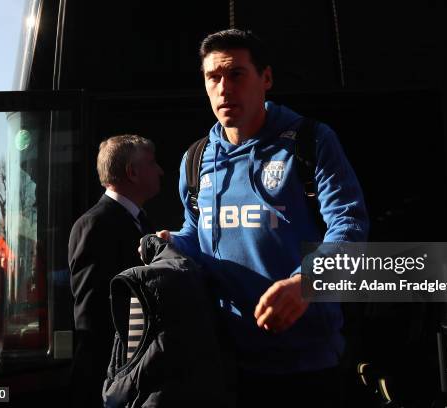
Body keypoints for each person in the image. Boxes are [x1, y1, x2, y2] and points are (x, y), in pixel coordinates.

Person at [153, 29, 368, 407]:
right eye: (213, 77)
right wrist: (173, 242)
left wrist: (306, 281)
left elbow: (349, 227)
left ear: (266, 78)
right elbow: (196, 233)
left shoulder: (310, 142)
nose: (224, 88)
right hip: (226, 367)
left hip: (308, 367)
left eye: (237, 74)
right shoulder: (196, 158)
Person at [68, 134, 163, 407]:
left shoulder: (134, 221)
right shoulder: (96, 225)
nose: (160, 170)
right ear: (132, 172)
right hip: (107, 382)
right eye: (152, 162)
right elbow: (92, 316)